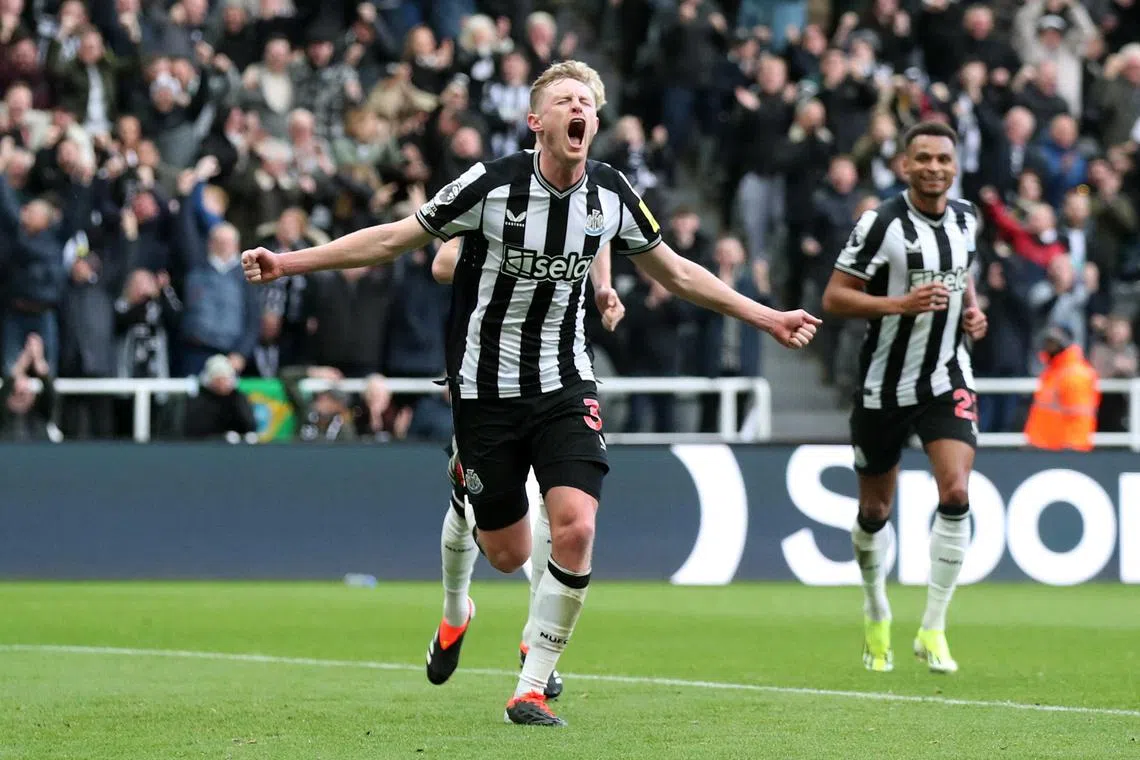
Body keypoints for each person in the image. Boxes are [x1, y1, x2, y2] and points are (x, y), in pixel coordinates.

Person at [242, 60, 821, 726]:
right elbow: (395, 239)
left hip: (564, 383)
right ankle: (465, 540)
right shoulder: (491, 185)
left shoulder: (611, 193)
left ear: (594, 122)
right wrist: (289, 261)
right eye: (566, 100)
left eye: (589, 102)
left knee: (575, 526)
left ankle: (530, 682)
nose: (580, 109)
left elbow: (680, 273)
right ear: (537, 121)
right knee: (510, 552)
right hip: (486, 390)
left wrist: (768, 316)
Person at [426, 235, 624, 703]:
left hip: (558, 381)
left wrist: (603, 285)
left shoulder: (589, 193)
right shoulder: (495, 192)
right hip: (486, 378)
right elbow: (441, 262)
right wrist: (517, 266)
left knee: (561, 510)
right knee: (497, 538)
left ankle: (535, 641)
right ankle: (456, 611)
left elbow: (599, 229)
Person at [821, 121, 989, 676]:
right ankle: (876, 609)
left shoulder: (967, 219)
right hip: (883, 387)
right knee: (875, 510)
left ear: (954, 164)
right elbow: (835, 298)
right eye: (924, 158)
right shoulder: (881, 224)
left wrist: (971, 312)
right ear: (905, 166)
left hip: (947, 376)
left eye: (943, 158)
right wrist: (900, 305)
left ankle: (934, 627)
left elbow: (964, 280)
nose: (935, 167)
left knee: (957, 491)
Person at [1024, 324, 1100, 451]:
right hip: (1043, 447)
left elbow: (1079, 417)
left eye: (1053, 342)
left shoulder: (1075, 374)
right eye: (1047, 341)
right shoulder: (1054, 370)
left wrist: (1072, 450)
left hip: (1062, 450)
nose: (1048, 346)